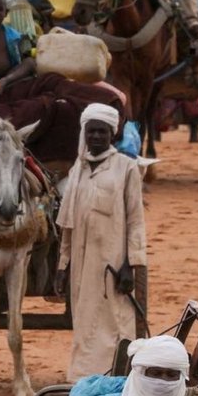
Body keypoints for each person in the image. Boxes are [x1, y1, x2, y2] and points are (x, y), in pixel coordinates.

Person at [56, 104, 147, 378]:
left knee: (114, 323)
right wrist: (63, 266)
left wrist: (130, 265)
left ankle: (115, 377)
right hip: (82, 266)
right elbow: (68, 226)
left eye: (102, 132)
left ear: (112, 134)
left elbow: (135, 220)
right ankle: (82, 379)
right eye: (91, 131)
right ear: (84, 133)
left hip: (113, 264)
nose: (96, 136)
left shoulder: (126, 168)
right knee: (84, 322)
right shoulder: (78, 169)